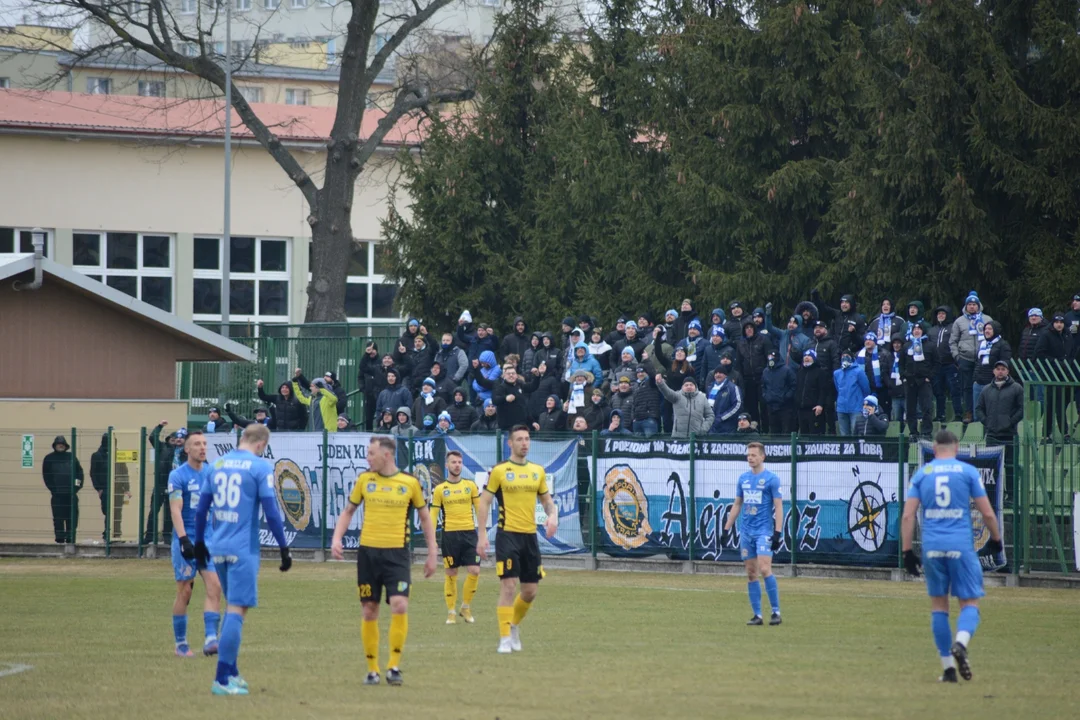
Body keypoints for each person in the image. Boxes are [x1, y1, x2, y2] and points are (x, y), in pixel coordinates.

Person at [192, 424, 292, 695]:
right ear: (261, 444)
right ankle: (222, 680)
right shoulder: (259, 467)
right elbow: (271, 511)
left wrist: (200, 542)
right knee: (237, 609)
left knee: (230, 606)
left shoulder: (217, 464)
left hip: (218, 545)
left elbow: (201, 509)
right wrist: (284, 547)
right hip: (242, 549)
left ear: (242, 439)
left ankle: (232, 672)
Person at [330, 435, 436, 685]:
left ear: (386, 455)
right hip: (368, 554)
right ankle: (372, 669)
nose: (368, 458)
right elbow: (348, 511)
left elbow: (425, 517)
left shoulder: (409, 483)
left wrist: (433, 552)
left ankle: (394, 667)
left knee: (399, 605)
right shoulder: (365, 480)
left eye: (371, 454)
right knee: (369, 609)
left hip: (397, 554)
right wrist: (336, 538)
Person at [901, 429, 1003, 683]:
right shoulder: (967, 472)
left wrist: (906, 552)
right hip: (961, 547)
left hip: (932, 548)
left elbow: (908, 515)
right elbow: (988, 514)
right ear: (956, 449)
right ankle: (961, 642)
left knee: (939, 607)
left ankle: (948, 670)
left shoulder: (922, 474)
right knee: (969, 604)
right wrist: (997, 540)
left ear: (934, 450)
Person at [475, 426, 559, 653]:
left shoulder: (537, 471)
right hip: (507, 535)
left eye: (527, 439)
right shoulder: (499, 471)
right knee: (509, 586)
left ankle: (513, 625)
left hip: (530, 537)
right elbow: (484, 502)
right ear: (510, 443)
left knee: (530, 591)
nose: (525, 443)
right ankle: (504, 638)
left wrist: (553, 515)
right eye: (520, 439)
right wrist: (482, 535)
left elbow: (547, 500)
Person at [167, 431, 222, 657]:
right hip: (186, 538)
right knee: (185, 592)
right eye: (197, 444)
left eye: (204, 444)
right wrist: (183, 539)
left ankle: (210, 639)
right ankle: (181, 643)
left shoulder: (212, 473)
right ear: (186, 449)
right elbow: (175, 509)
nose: (202, 447)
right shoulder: (177, 475)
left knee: (215, 585)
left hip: (207, 539)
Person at [723, 442, 783, 626]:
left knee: (765, 569)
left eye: (754, 455)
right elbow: (737, 504)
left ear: (762, 457)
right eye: (748, 455)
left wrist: (777, 532)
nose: (750, 458)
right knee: (751, 573)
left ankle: (776, 612)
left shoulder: (772, 479)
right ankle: (757, 615)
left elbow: (779, 506)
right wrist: (726, 528)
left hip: (764, 531)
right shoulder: (743, 479)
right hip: (746, 532)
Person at [431, 450, 481, 624]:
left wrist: (482, 535)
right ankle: (451, 612)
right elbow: (432, 515)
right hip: (450, 535)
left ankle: (465, 608)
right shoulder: (439, 489)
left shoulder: (471, 486)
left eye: (459, 462)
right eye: (453, 462)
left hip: (469, 534)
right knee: (451, 573)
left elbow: (479, 511)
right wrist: (431, 541)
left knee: (475, 570)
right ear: (447, 465)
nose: (457, 465)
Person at [950, 291, 993, 423]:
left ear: (978, 305)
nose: (972, 307)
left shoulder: (987, 319)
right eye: (970, 304)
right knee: (967, 387)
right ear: (966, 306)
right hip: (965, 358)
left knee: (985, 386)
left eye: (974, 304)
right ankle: (968, 412)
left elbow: (993, 337)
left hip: (983, 359)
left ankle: (985, 413)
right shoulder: (959, 321)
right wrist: (957, 357)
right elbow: (953, 341)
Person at [145, 423, 185, 545]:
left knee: (169, 513)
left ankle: (167, 535)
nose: (175, 440)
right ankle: (150, 536)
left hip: (173, 487)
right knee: (153, 511)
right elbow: (152, 438)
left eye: (177, 438)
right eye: (172, 439)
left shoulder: (181, 453)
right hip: (160, 485)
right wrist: (159, 426)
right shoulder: (162, 448)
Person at [42, 435, 84, 544]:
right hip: (57, 495)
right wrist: (53, 489)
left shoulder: (71, 457)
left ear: (65, 446)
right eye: (58, 444)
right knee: (58, 517)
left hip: (71, 493)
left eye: (62, 444)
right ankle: (60, 538)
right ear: (55, 445)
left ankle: (70, 537)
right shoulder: (49, 458)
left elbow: (79, 473)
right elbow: (47, 476)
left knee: (72, 516)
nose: (60, 445)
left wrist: (76, 487)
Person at [975, 361, 1024, 446]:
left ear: (1007, 371)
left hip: (1009, 435)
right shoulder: (986, 390)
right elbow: (979, 408)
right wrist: (987, 422)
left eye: (1003, 369)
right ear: (994, 371)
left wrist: (1010, 422)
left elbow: (1022, 408)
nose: (1000, 371)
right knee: (992, 459)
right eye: (998, 369)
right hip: (991, 435)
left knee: (1009, 459)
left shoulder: (1017, 388)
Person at [902, 321, 936, 437]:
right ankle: (913, 432)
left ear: (923, 331)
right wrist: (904, 377)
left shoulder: (930, 345)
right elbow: (901, 363)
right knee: (910, 409)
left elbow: (936, 363)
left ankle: (926, 432)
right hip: (910, 381)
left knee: (926, 407)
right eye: (914, 329)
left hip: (924, 381)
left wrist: (929, 377)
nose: (916, 331)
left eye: (919, 329)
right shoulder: (906, 346)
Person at [930, 306, 962, 423]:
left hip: (950, 364)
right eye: (939, 314)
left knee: (954, 390)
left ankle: (958, 414)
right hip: (937, 366)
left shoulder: (953, 327)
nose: (941, 316)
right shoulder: (932, 330)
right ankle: (940, 415)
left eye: (943, 314)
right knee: (938, 392)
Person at [972, 321, 1010, 415]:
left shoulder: (1003, 345)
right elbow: (977, 361)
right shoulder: (982, 344)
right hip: (979, 382)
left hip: (992, 382)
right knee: (978, 411)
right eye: (985, 329)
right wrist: (975, 377)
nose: (987, 331)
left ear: (995, 330)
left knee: (991, 411)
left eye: (990, 329)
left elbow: (1005, 363)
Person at [834, 351, 871, 436]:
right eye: (843, 356)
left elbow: (866, 389)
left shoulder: (858, 372)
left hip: (856, 407)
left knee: (856, 433)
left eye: (847, 356)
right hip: (841, 408)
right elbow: (837, 388)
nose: (845, 357)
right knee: (844, 435)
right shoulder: (837, 373)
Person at [761, 350, 796, 435]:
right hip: (771, 406)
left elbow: (794, 386)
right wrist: (766, 396)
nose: (770, 359)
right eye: (769, 357)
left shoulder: (787, 370)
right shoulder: (766, 371)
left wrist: (786, 397)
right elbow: (763, 386)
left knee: (786, 431)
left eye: (772, 357)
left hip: (785, 406)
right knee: (774, 432)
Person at [795, 349, 828, 435]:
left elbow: (823, 390)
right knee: (803, 435)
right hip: (801, 409)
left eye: (809, 356)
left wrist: (820, 404)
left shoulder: (820, 372)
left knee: (815, 435)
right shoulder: (800, 372)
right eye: (805, 356)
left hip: (814, 409)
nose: (806, 358)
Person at [706, 366, 743, 435]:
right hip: (712, 427)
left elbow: (738, 405)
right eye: (716, 373)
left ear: (725, 375)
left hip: (727, 427)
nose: (718, 375)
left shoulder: (733, 388)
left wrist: (722, 418)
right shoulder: (710, 387)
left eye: (720, 373)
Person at [90, 433, 111, 541]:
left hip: (116, 488)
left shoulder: (115, 454)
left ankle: (114, 534)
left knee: (117, 512)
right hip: (105, 488)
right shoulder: (97, 455)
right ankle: (108, 534)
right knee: (108, 511)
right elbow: (93, 473)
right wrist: (98, 488)